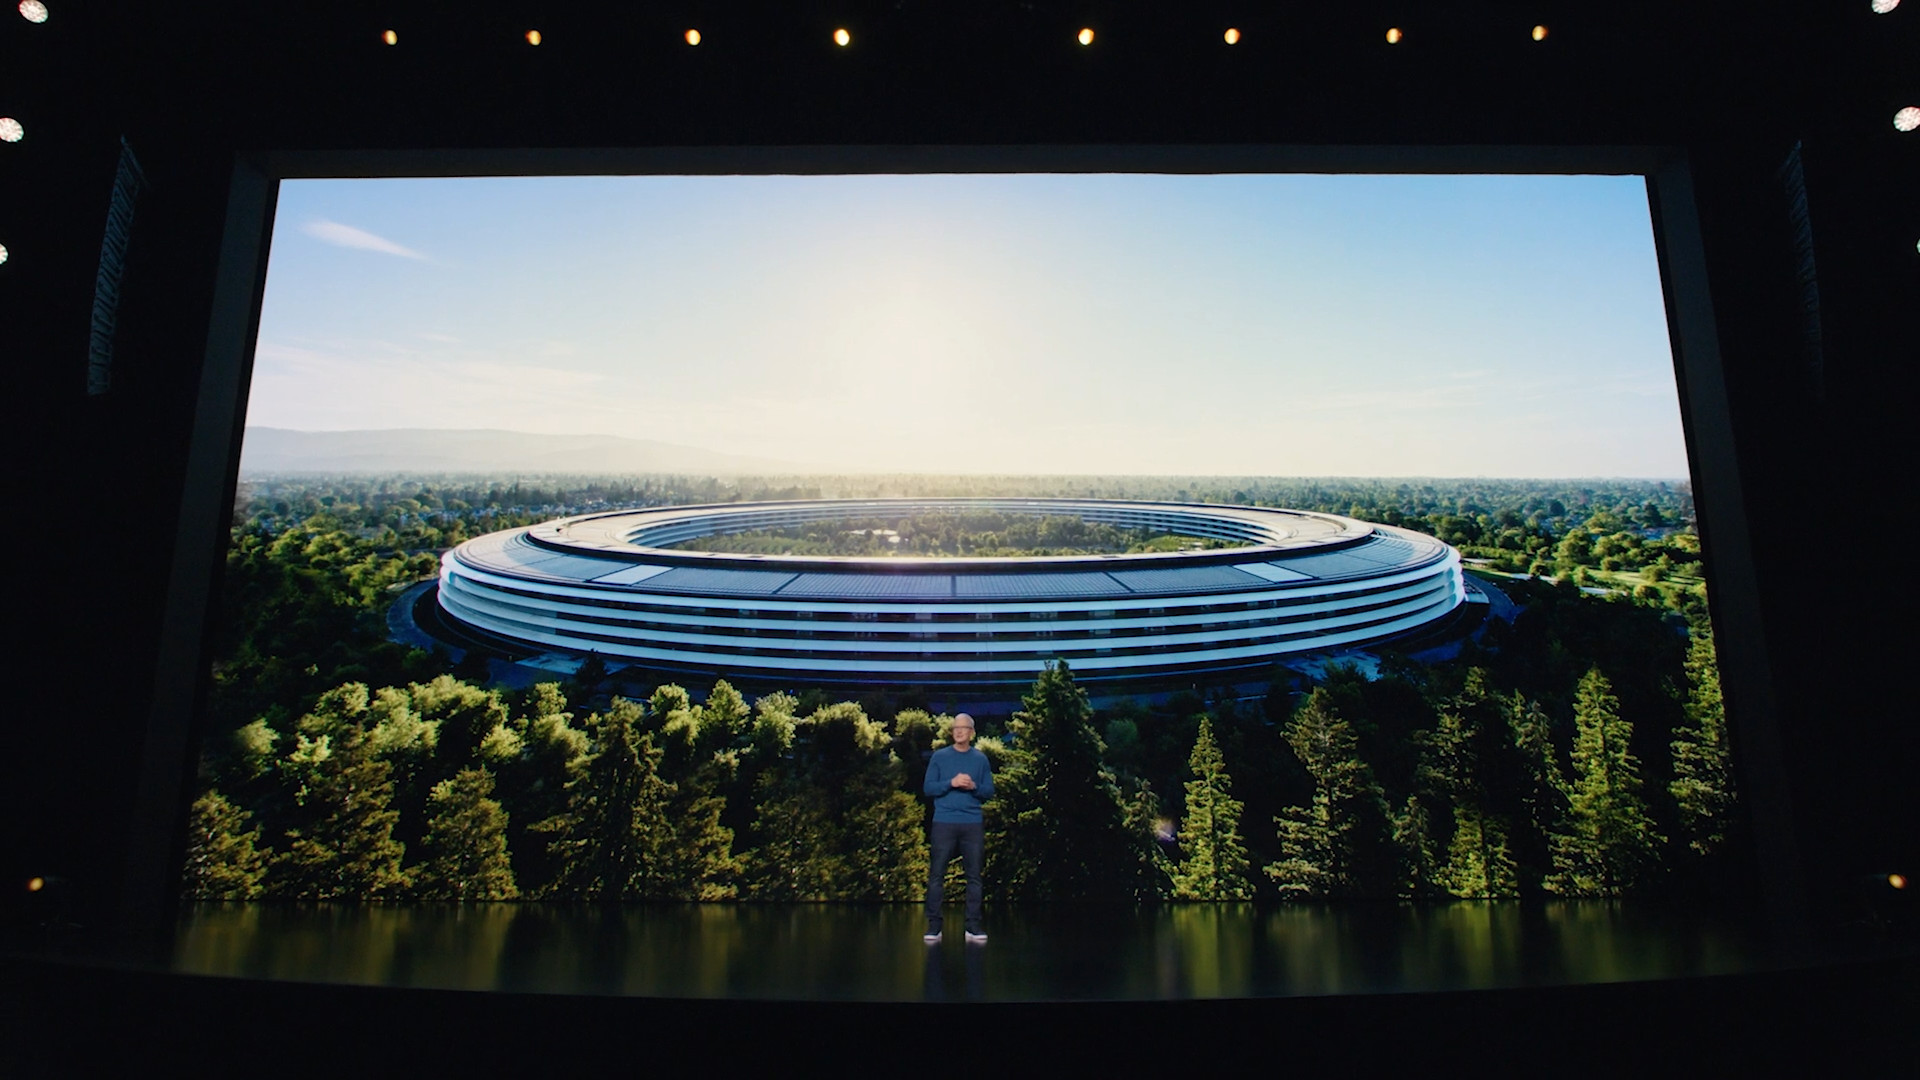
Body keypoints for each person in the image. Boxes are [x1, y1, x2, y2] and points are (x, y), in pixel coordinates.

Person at [923, 712, 993, 944]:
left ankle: (973, 926)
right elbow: (929, 788)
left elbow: (988, 792)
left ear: (972, 732)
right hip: (944, 821)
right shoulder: (940, 757)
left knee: (974, 876)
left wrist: (973, 786)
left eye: (963, 728)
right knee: (937, 875)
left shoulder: (980, 760)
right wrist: (950, 783)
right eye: (955, 728)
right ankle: (934, 925)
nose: (958, 731)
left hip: (971, 823)